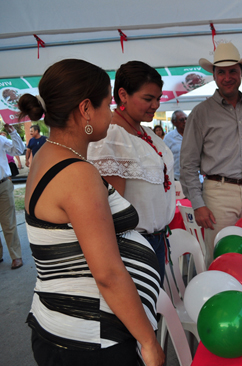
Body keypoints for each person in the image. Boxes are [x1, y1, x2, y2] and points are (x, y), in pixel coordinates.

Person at [18, 59, 163, 366]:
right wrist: (148, 340)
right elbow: (108, 273)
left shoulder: (47, 153)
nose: (111, 114)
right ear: (85, 109)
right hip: (89, 340)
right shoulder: (76, 173)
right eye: (108, 104)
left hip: (64, 328)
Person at [180, 42, 242, 265]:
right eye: (222, 72)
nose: (228, 77)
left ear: (241, 73)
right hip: (218, 194)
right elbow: (188, 163)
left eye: (232, 71)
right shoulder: (200, 113)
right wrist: (198, 204)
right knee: (221, 255)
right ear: (214, 76)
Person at [88, 61, 175, 284]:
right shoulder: (112, 137)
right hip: (132, 246)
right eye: (148, 98)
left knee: (154, 309)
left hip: (157, 241)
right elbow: (110, 212)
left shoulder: (145, 132)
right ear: (123, 95)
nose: (155, 104)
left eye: (158, 98)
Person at [0, 124, 24, 269]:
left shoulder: (0, 140)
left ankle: (16, 256)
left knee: (8, 223)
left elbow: (18, 150)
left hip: (2, 185)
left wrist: (13, 132)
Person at [164, 110, 187, 180]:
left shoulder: (195, 134)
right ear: (174, 122)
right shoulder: (169, 138)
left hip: (195, 177)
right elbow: (164, 157)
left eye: (186, 118)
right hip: (176, 178)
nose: (185, 121)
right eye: (181, 120)